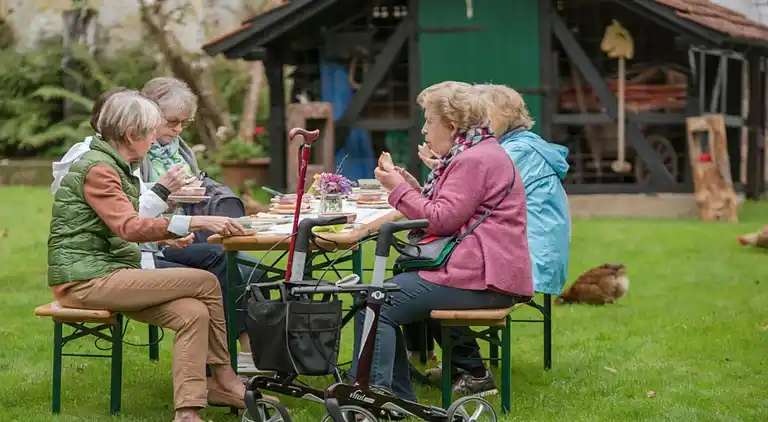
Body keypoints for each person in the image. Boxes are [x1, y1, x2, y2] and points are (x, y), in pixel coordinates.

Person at [48, 91, 248, 422]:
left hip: (113, 271)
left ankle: (188, 411)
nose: (155, 138)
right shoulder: (98, 169)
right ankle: (225, 380)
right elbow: (128, 225)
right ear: (131, 135)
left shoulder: (116, 164)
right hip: (84, 280)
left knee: (193, 312)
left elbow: (120, 227)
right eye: (151, 132)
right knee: (207, 280)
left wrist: (171, 239)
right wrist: (198, 220)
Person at [348, 82, 533, 401]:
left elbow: (441, 219)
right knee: (376, 297)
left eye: (428, 121)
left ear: (451, 124)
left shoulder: (473, 159)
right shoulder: (477, 152)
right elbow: (451, 210)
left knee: (376, 302)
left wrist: (398, 190)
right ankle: (390, 397)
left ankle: (379, 396)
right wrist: (409, 188)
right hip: (480, 274)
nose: (423, 130)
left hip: (482, 280)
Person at [422, 83, 572, 393]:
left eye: (482, 112)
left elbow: (471, 193)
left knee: (429, 278)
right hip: (520, 248)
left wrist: (441, 166)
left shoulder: (513, 151)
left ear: (502, 115)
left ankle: (465, 366)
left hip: (523, 257)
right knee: (425, 273)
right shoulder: (520, 146)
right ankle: (456, 362)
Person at [139, 76, 264, 372]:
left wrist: (192, 193)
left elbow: (192, 191)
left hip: (184, 231)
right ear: (149, 113)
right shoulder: (136, 151)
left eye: (184, 123)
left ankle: (251, 349)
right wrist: (167, 198)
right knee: (226, 262)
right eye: (172, 122)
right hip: (154, 243)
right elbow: (137, 208)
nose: (178, 129)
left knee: (257, 269)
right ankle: (232, 359)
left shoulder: (181, 149)